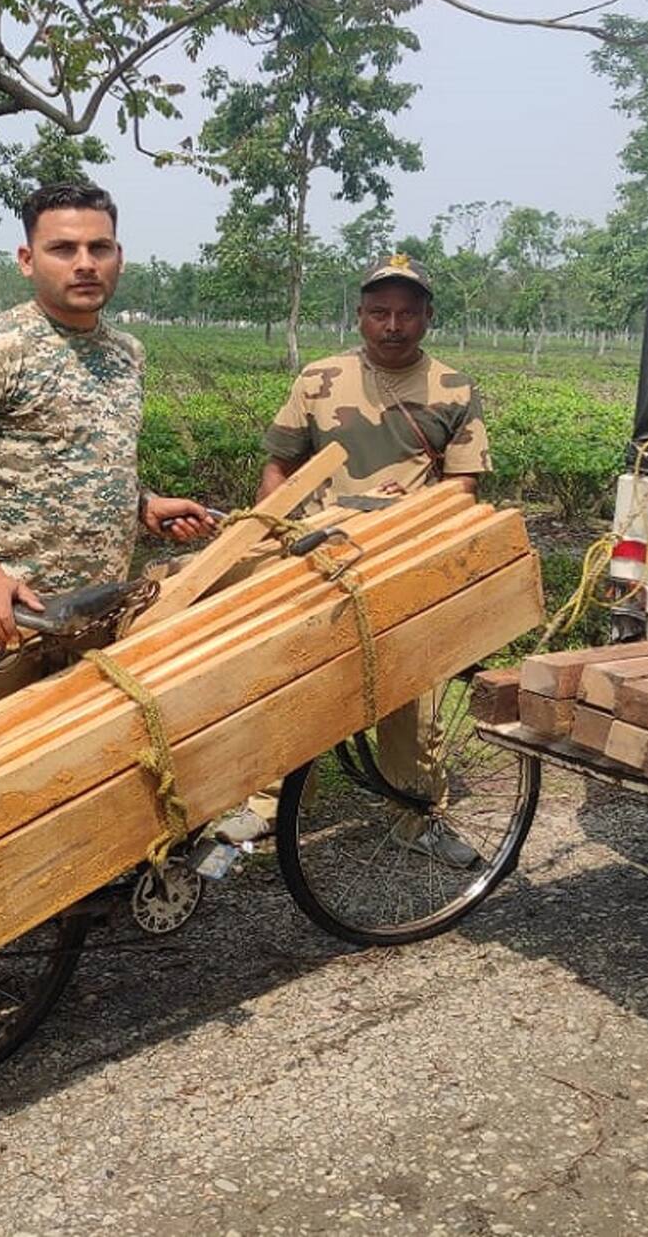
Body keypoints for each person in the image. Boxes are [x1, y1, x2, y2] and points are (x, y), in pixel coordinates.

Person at [0, 182, 217, 669]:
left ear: (119, 256)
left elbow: (85, 458)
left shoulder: (127, 354)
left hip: (104, 608)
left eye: (100, 248)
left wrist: (145, 503)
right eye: (64, 249)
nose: (86, 263)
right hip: (11, 615)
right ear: (27, 260)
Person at [253, 252, 493, 865]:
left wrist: (408, 516)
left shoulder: (453, 387)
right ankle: (262, 807)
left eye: (407, 313)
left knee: (410, 694)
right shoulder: (319, 379)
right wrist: (276, 530)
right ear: (359, 316)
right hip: (322, 555)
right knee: (288, 678)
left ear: (427, 319)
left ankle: (416, 817)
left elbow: (464, 486)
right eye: (380, 312)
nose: (393, 325)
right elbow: (280, 466)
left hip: (407, 559)